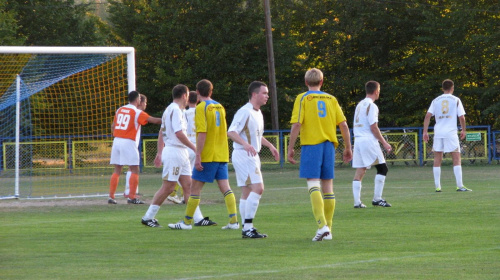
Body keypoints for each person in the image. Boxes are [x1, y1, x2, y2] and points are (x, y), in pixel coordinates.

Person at [287, 68, 352, 241]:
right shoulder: (331, 98)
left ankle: (322, 226)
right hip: (329, 146)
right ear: (322, 82)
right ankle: (328, 229)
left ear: (306, 82)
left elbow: (296, 125)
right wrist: (348, 147)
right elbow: (344, 125)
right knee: (328, 187)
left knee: (313, 184)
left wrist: (290, 148)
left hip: (312, 145)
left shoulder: (303, 98)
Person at [141, 85, 216, 227]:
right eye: (187, 95)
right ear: (183, 95)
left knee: (189, 186)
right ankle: (148, 217)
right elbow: (178, 133)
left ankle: (198, 219)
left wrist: (159, 151)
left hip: (180, 152)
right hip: (175, 151)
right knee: (169, 187)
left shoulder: (172, 110)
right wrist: (194, 147)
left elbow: (161, 132)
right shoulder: (175, 110)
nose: (188, 98)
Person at [168, 79, 238, 230]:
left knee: (194, 189)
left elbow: (202, 133)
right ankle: (234, 221)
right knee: (225, 187)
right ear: (211, 91)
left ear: (197, 92)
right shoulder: (220, 106)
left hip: (209, 154)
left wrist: (198, 154)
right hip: (222, 153)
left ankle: (186, 222)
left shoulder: (201, 108)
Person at [227, 81, 280, 239]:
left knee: (247, 192)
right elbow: (231, 132)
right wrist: (245, 144)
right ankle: (248, 227)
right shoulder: (245, 111)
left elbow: (257, 135)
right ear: (254, 94)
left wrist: (270, 146)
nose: (267, 96)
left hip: (249, 154)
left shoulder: (257, 113)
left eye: (267, 94)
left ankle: (246, 228)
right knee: (259, 188)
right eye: (264, 93)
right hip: (244, 154)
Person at [108, 90, 161, 204]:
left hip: (117, 140)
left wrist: (118, 135)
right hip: (128, 141)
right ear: (138, 100)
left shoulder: (120, 109)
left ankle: (111, 197)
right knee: (135, 169)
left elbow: (113, 126)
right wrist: (167, 120)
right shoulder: (136, 112)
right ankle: (132, 197)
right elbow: (154, 120)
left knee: (117, 169)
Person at [423, 79, 470, 192]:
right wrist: (463, 129)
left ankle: (437, 187)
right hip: (450, 132)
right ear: (452, 88)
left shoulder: (436, 100)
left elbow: (428, 116)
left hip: (438, 132)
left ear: (443, 88)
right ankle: (460, 186)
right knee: (456, 157)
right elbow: (462, 117)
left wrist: (425, 131)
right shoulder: (456, 100)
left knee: (437, 158)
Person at [351, 81, 392, 209]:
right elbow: (373, 127)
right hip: (368, 140)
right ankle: (377, 199)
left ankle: (357, 202)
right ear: (376, 91)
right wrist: (384, 143)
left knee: (360, 170)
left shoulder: (359, 104)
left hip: (358, 140)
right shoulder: (372, 106)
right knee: (382, 168)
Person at [123, 94, 148, 198]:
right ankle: (129, 193)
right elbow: (151, 120)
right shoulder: (137, 113)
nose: (146, 104)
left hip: (125, 143)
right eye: (145, 102)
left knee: (131, 167)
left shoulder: (129, 112)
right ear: (140, 102)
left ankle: (130, 191)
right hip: (129, 143)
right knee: (133, 168)